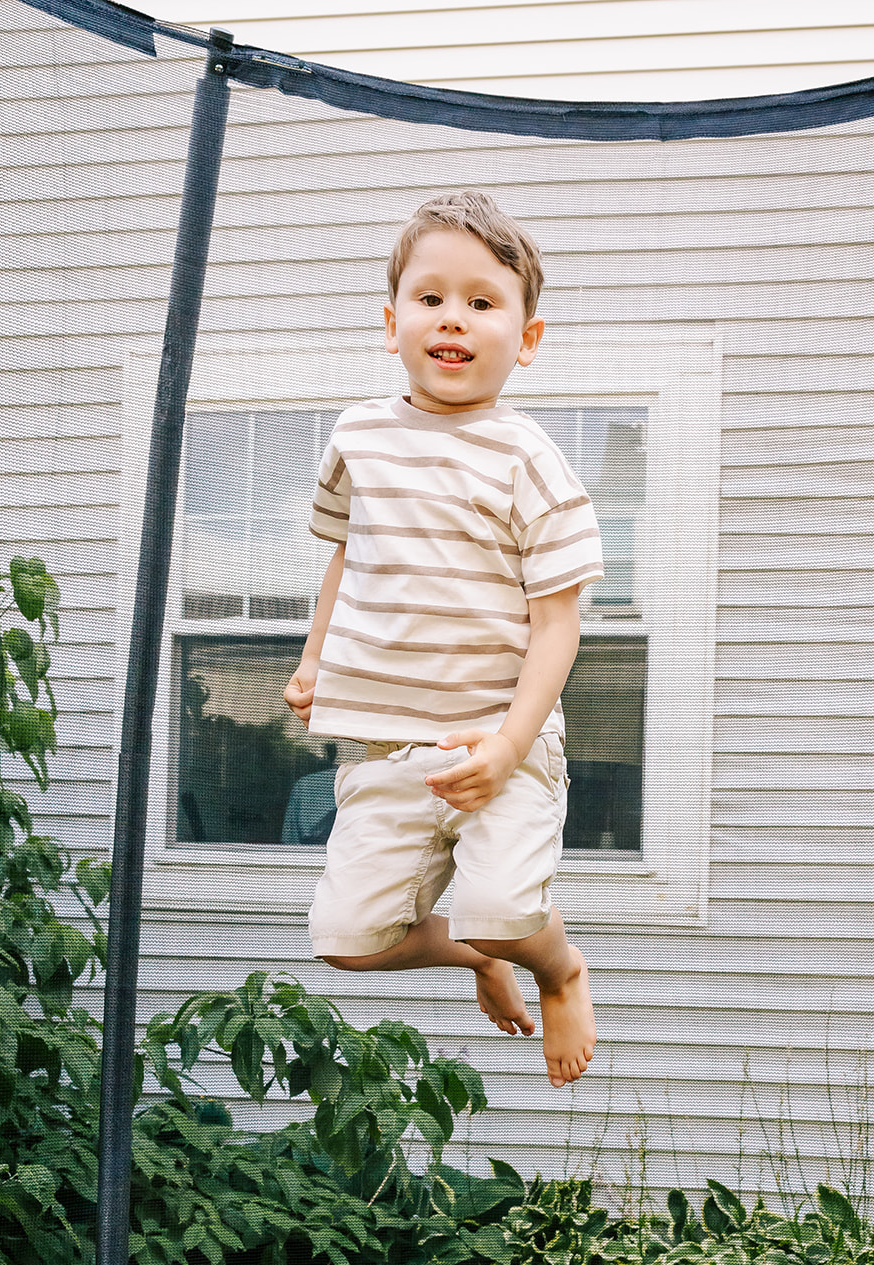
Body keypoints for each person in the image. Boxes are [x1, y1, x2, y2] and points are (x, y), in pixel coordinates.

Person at [283, 191, 602, 1087]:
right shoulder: (358, 436)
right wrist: (315, 659)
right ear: (393, 325)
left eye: (482, 302)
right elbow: (350, 558)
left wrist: (507, 747)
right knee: (347, 942)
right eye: (430, 299)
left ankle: (554, 966)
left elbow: (558, 622)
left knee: (501, 909)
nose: (452, 318)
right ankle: (476, 960)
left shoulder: (528, 457)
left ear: (525, 338)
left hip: (497, 734)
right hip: (388, 740)